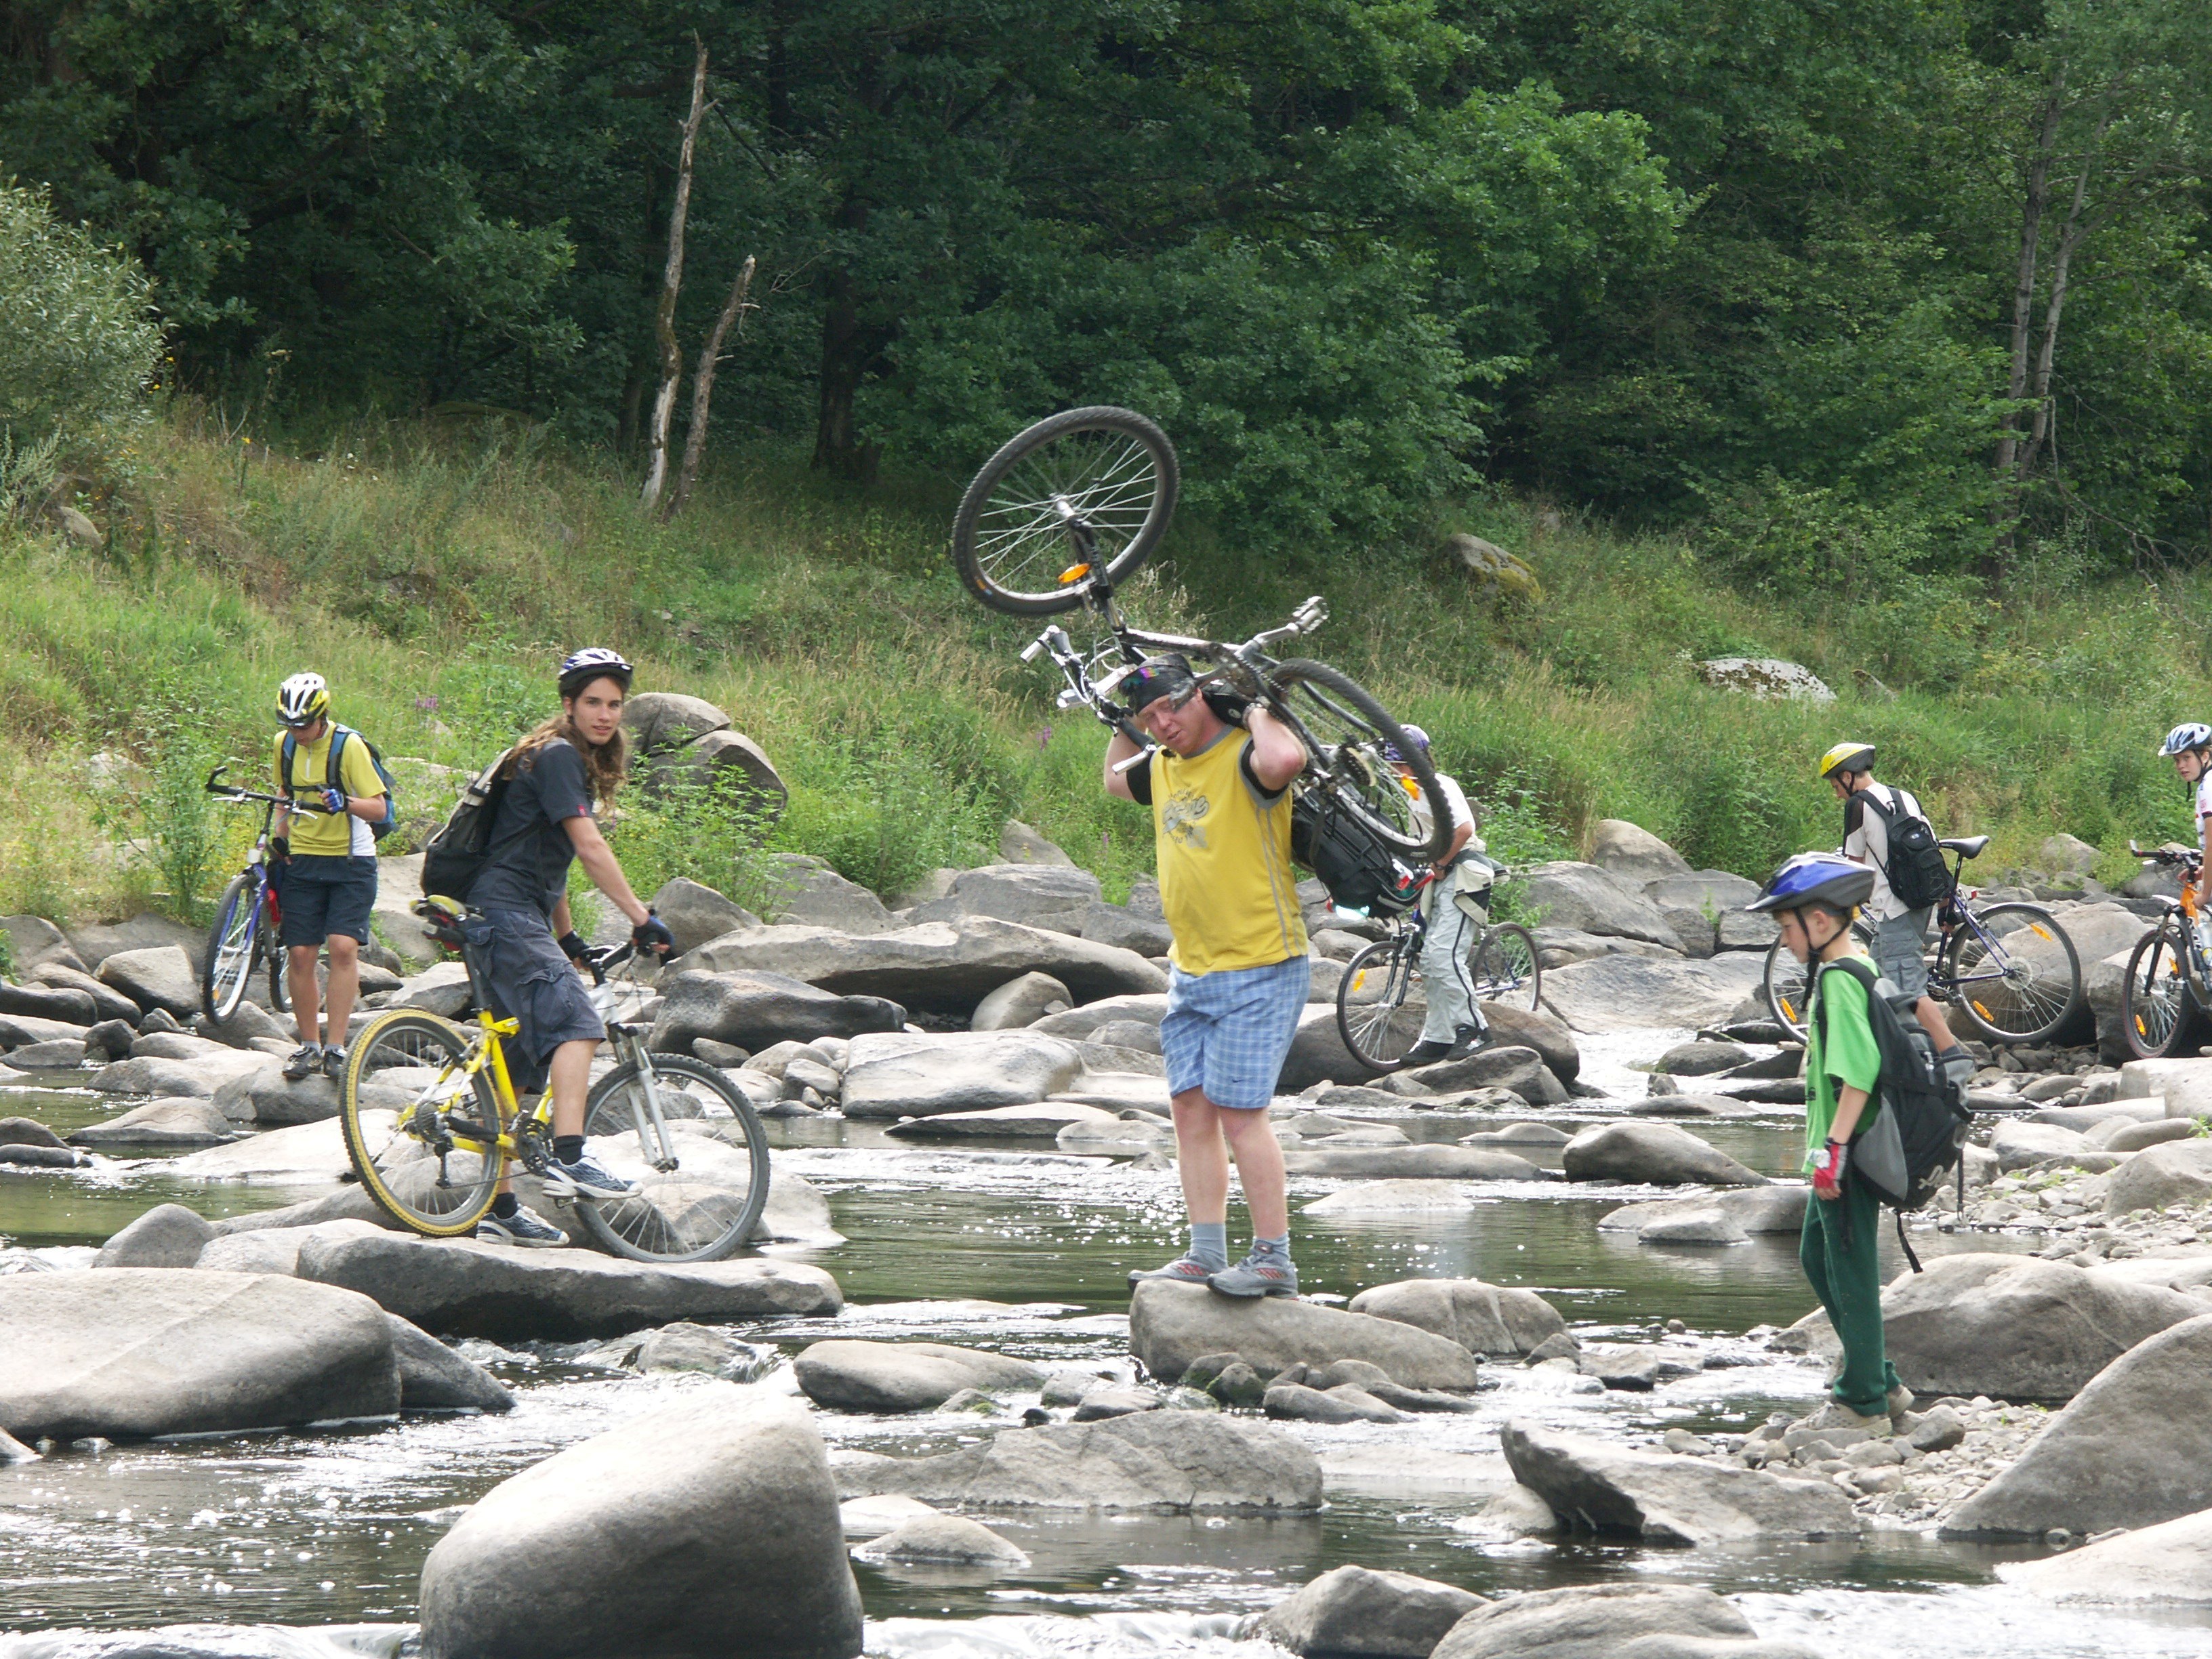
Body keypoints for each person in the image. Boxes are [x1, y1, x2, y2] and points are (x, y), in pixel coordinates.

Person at [1103, 653, 1311, 1297]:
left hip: (1261, 962)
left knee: (1241, 1114)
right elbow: (1114, 781)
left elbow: (1287, 760)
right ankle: (1204, 1252)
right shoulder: (1163, 763)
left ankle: (1274, 1260)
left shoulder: (1246, 754)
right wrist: (1118, 720)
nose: (1162, 724)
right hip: (1192, 969)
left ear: (1199, 695)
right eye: (1149, 717)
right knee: (1190, 1112)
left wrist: (1251, 707)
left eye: (1171, 707)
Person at [463, 647, 676, 1246]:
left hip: (500, 912)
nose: (605, 715)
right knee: (578, 1026)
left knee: (517, 1065)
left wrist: (567, 937)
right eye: (593, 703)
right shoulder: (558, 756)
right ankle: (571, 1155)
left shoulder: (553, 755)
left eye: (614, 704)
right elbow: (587, 847)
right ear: (569, 705)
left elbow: (543, 857)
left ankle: (499, 1209)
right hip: (505, 914)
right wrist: (642, 917)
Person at [1748, 852, 1913, 1431]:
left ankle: (1863, 1399)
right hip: (1843, 1144)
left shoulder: (1841, 979)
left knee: (1851, 1271)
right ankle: (1883, 1381)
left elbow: (1859, 1074)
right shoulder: (1855, 965)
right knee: (1817, 1256)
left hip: (1850, 1149)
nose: (1785, 939)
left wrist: (1834, 1154)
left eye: (1787, 927)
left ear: (1820, 922)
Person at [1818, 743, 1973, 1089]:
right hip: (1920, 900)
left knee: (1910, 989)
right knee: (1872, 982)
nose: (1836, 793)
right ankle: (1878, 1059)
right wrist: (1945, 902)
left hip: (1894, 908)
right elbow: (1930, 849)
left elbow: (1853, 865)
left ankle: (1955, 1062)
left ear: (1848, 777)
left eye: (1835, 785)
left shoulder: (1858, 806)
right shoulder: (1904, 797)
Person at [270, 672, 388, 1082]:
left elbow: (379, 809)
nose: (297, 732)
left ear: (321, 716)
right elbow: (284, 795)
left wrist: (346, 802)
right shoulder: (284, 744)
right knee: (301, 954)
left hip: (351, 861)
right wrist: (280, 838)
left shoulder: (348, 746)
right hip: (304, 860)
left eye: (303, 725)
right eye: (290, 725)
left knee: (342, 947)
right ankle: (309, 1046)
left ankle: (336, 1048)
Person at [1388, 725, 1491, 1066]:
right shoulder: (1411, 792)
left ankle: (1475, 1029)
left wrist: (1442, 863)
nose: (1397, 770)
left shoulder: (1440, 786)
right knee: (1429, 959)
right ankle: (1438, 1036)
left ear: (1418, 759)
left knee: (1445, 954)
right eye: (1394, 765)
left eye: (1402, 764)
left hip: (1464, 872)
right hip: (1438, 874)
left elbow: (1464, 829)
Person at [2157, 723, 2212, 947]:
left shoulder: (2209, 787)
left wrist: (2205, 893)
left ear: (2205, 756)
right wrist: (2205, 870)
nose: (2181, 765)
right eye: (2177, 760)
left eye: (2186, 758)